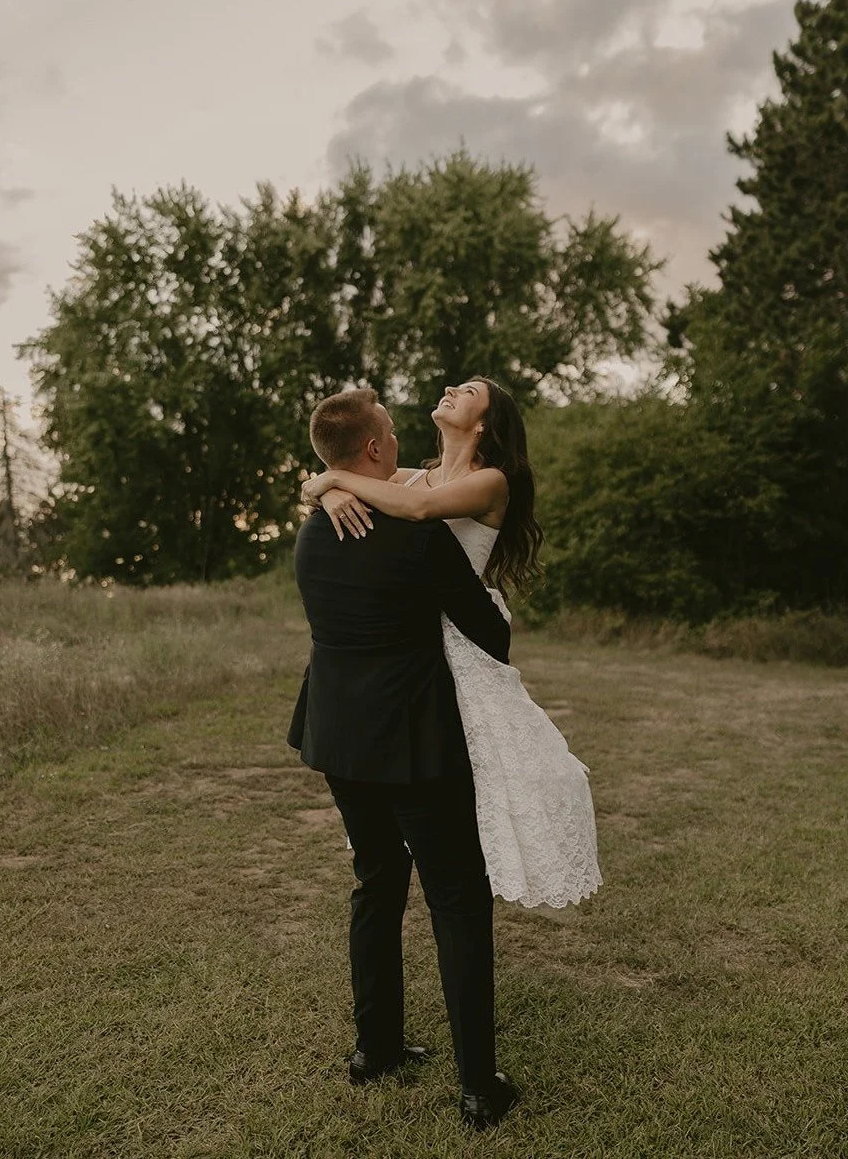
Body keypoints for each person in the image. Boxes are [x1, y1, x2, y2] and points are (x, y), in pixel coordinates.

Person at [290, 388, 519, 1131]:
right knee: (457, 897)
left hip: (335, 733)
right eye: (388, 427)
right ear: (378, 451)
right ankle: (480, 1087)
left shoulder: (311, 534)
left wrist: (326, 486)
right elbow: (489, 633)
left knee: (376, 879)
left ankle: (374, 1049)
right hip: (414, 741)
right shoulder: (421, 538)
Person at [301, 376, 603, 911]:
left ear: (484, 422)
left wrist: (331, 482)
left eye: (467, 391)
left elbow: (418, 511)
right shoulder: (413, 475)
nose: (449, 388)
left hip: (459, 640)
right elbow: (362, 481)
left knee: (477, 786)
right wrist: (328, 490)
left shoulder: (492, 483)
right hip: (409, 643)